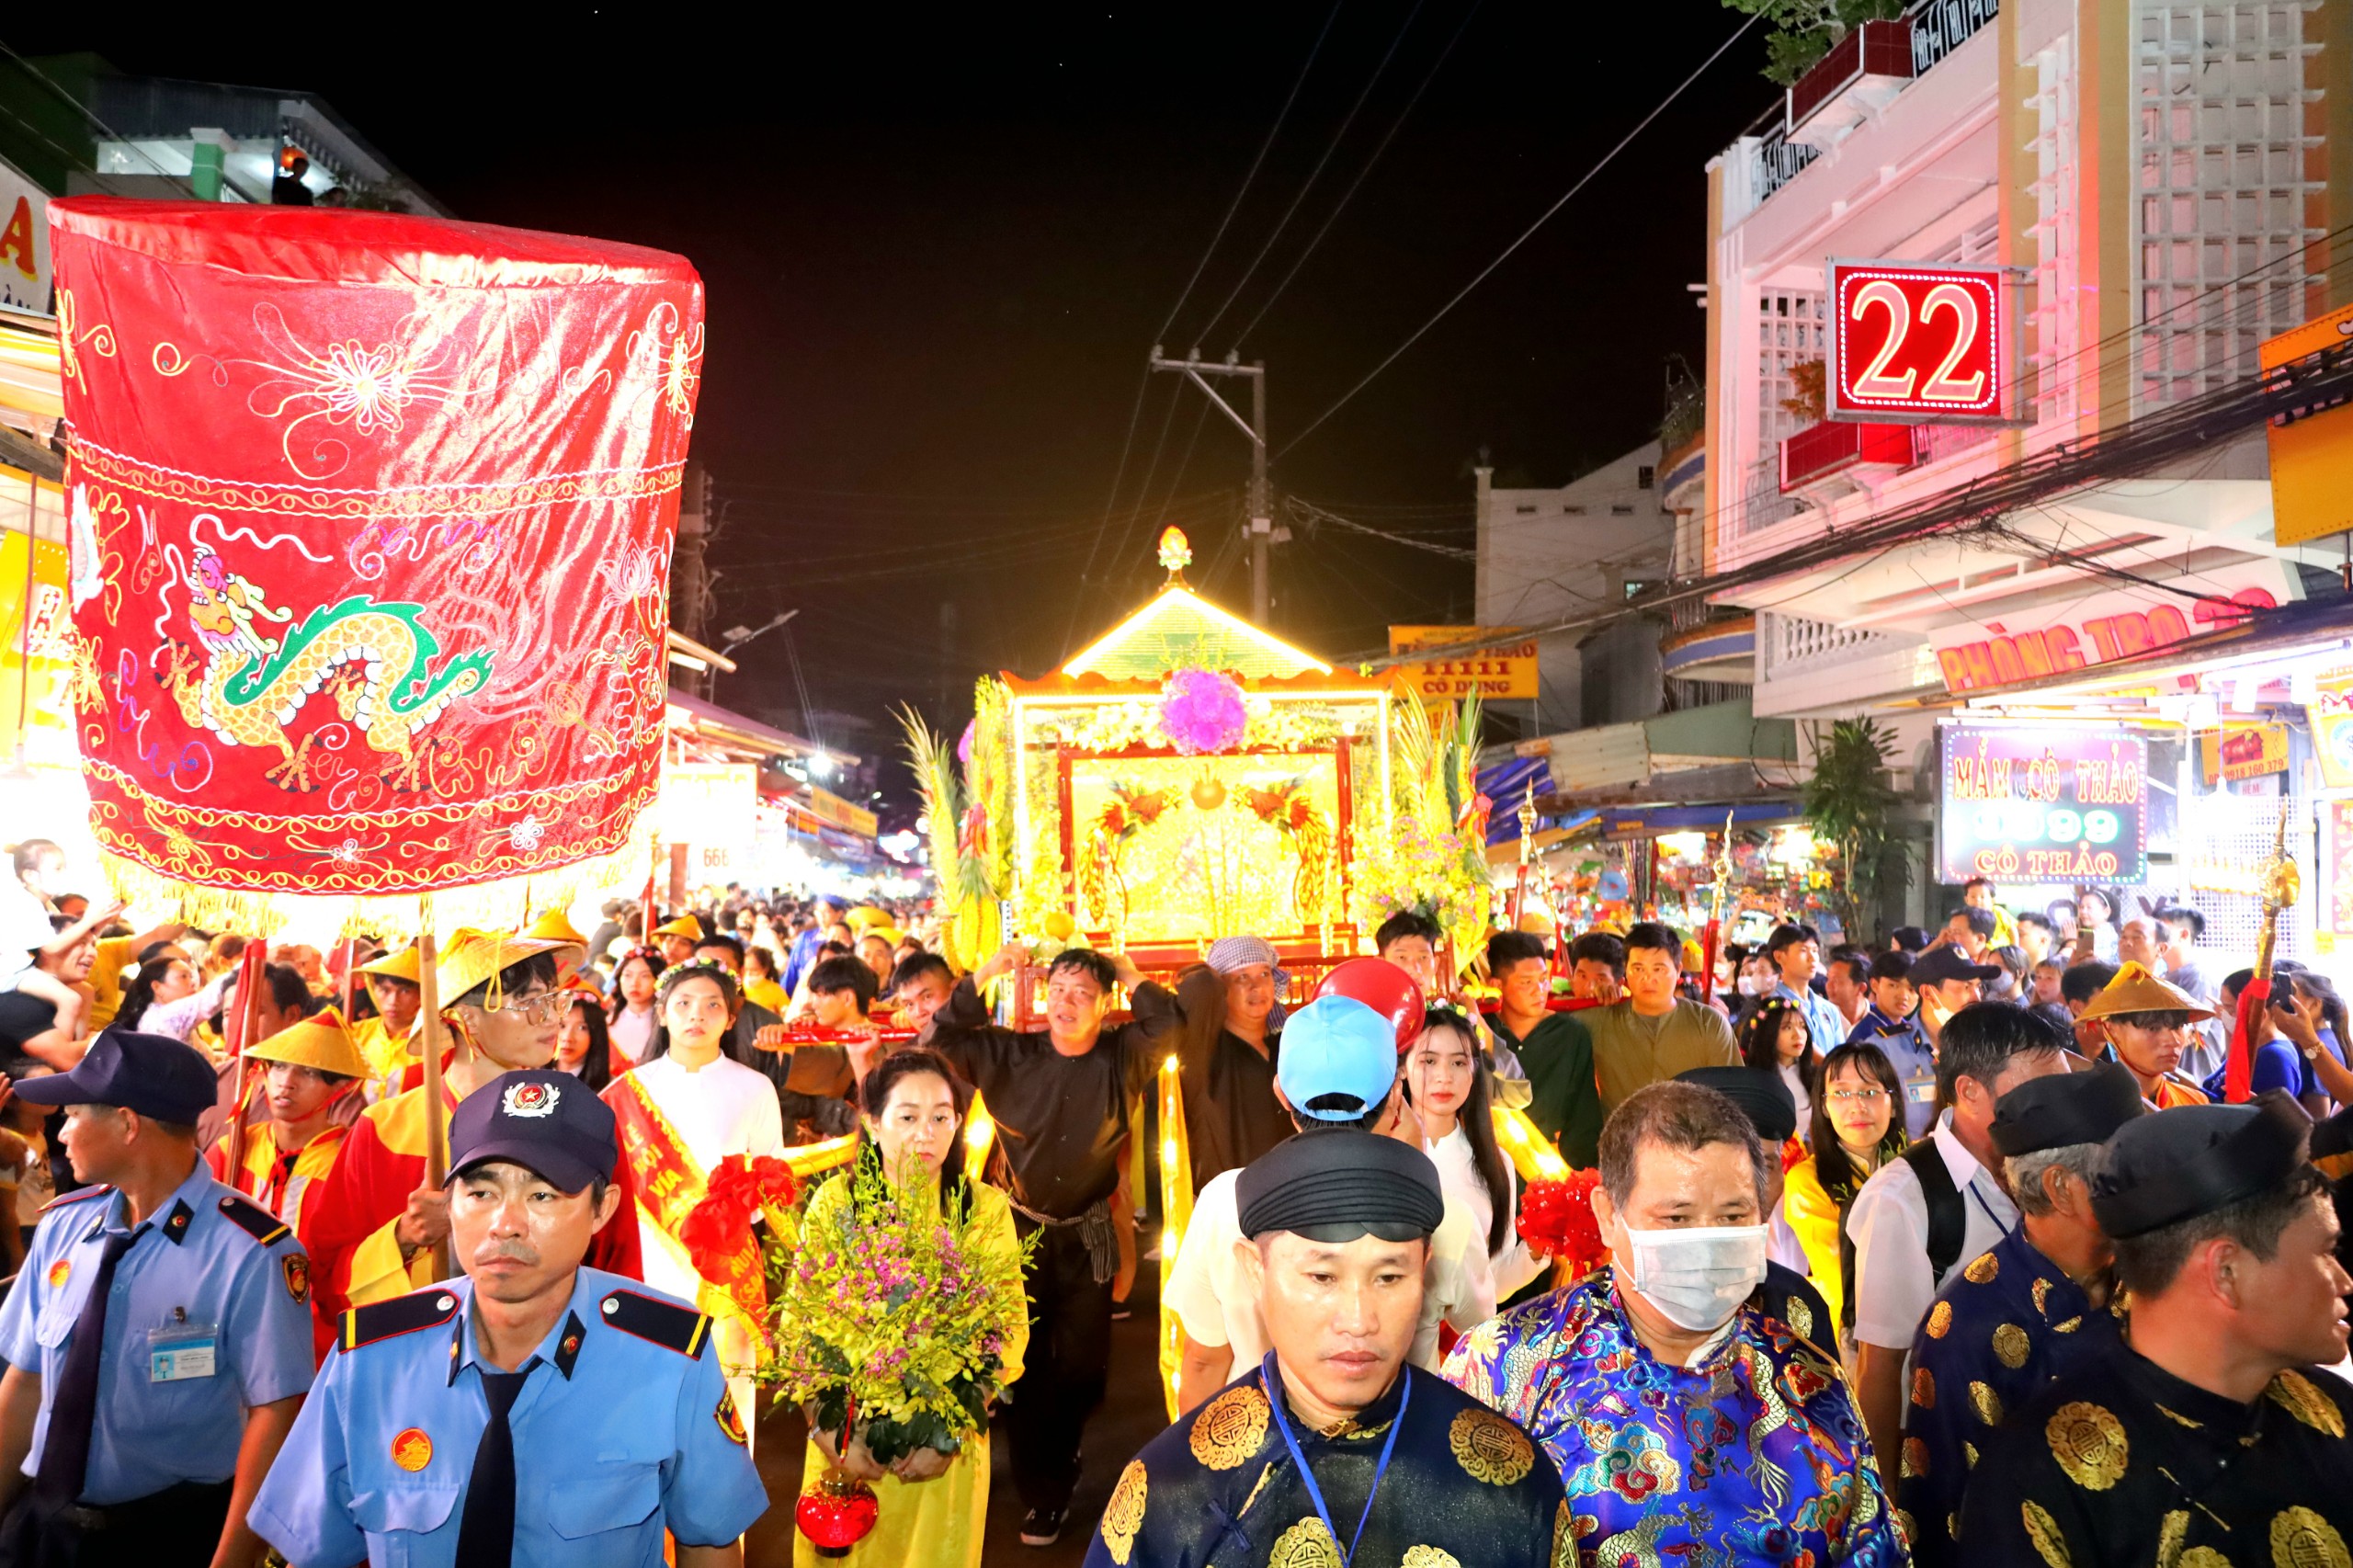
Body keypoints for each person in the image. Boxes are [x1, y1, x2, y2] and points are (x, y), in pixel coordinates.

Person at [249, 1069, 768, 1567]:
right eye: (481, 1192)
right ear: (450, 1203)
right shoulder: (372, 1359)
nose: (505, 1224)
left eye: (542, 1194)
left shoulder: (668, 1358)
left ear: (602, 1209)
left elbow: (711, 1541)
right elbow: (309, 1550)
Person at [1444, 1080, 1902, 1565]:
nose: (1707, 1244)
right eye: (1677, 1218)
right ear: (1608, 1214)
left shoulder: (1811, 1382)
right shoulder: (1505, 1364)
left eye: (1732, 1216)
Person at [1086, 1129, 1567, 1568]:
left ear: (1425, 1268)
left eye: (1389, 1276)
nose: (1358, 1321)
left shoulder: (1511, 1485)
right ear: (1255, 1271)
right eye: (1322, 1277)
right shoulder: (1169, 1489)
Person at [1956, 1094, 2353, 1565]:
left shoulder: (2332, 1412)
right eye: (2326, 1251)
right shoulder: (2039, 1478)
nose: (2344, 1279)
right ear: (2226, 1272)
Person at [0, 1029, 314, 1565]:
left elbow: (277, 1413)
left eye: (74, 1114)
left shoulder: (252, 1252)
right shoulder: (63, 1229)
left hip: (167, 1535)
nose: (62, 1132)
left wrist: (233, 1560)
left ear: (127, 1123)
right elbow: (26, 1382)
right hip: (43, 1527)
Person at [920, 943, 1170, 1547]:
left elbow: (1168, 1024)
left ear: (1104, 1004)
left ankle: (1066, 1441)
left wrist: (1127, 968)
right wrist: (989, 969)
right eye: (1059, 989)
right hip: (1017, 1232)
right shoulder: (1008, 1053)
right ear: (1042, 995)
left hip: (1088, 1231)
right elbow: (942, 1032)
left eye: (1084, 993)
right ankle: (1046, 1492)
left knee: (1086, 1365)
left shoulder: (1122, 1058)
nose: (1068, 1002)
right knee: (1023, 1364)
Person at [1168, 995, 1499, 1416]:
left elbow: (1202, 1361)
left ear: (1283, 1094)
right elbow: (1481, 1335)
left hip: (1258, 1447)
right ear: (1396, 1095)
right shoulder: (1443, 1212)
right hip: (1402, 1450)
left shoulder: (1222, 1199)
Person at [303, 926, 643, 1322]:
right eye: (531, 1002)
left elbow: (619, 1266)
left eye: (555, 1000)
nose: (554, 1020)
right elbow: (325, 1279)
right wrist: (405, 1237)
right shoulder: (384, 1129)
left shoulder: (580, 1120)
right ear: (467, 1018)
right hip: (415, 1357)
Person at [1896, 1062, 2143, 1564]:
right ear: (2061, 1187)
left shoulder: (2154, 1274)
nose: (2147, 1180)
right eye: (2126, 1166)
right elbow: (1943, 1516)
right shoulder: (1967, 1326)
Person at [794, 1048, 1027, 1568]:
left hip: (943, 1451)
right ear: (873, 1123)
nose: (927, 1133)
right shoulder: (837, 1202)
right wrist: (826, 1430)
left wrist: (950, 1431)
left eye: (941, 1117)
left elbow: (1006, 1330)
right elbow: (800, 1326)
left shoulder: (982, 1209)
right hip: (845, 1445)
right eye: (908, 1117)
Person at [1846, 1001, 2067, 1471]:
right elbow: (1880, 1370)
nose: (2055, 1108)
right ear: (1968, 1090)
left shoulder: (2048, 1167)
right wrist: (1885, 1513)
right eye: (2037, 1092)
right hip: (1943, 1456)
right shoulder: (1904, 1197)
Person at [604, 959, 785, 1441]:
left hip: (726, 1262)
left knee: (727, 1391)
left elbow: (771, 1175)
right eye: (682, 1004)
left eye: (711, 1005)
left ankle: (727, 1509)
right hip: (650, 1259)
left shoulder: (755, 1087)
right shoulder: (625, 1093)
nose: (696, 1015)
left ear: (731, 1018)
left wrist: (734, 1209)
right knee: (652, 1388)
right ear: (662, 1013)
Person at [1674, 1063, 1838, 1344]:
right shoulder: (1597, 1319)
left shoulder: (1799, 1303)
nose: (1744, 1189)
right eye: (1718, 1166)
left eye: (1764, 1165)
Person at [1783, 1040, 1908, 1367]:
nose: (1857, 1106)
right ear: (1823, 1107)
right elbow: (1840, 1271)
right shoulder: (1807, 1180)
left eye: (1870, 1092)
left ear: (1892, 1103)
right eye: (1840, 1093)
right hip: (1851, 1342)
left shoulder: (1916, 1166)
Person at [1404, 1008, 1540, 1296]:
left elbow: (1493, 1281)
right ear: (1403, 1068)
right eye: (1429, 1060)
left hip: (1467, 1334)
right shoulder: (1381, 1155)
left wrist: (1536, 1251)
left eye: (1458, 1063)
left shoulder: (1496, 1162)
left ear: (1474, 1071)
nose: (1444, 1076)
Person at [1167, 935, 1293, 1191]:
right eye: (1241, 977)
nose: (1256, 987)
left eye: (1264, 974)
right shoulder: (1206, 1051)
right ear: (1220, 989)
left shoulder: (1287, 1045)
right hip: (1228, 1207)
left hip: (1289, 1199)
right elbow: (1199, 986)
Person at [1578, 920, 1739, 1112]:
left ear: (1678, 970)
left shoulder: (1709, 1024)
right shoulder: (1600, 1020)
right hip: (1619, 1139)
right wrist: (1589, 997)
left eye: (1659, 969)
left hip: (1691, 1139)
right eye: (1638, 969)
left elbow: (1733, 1098)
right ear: (1625, 970)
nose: (1648, 978)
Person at [1482, 930, 1602, 1165]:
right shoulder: (1483, 1030)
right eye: (1526, 982)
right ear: (1497, 984)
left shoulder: (1569, 1034)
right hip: (1488, 1161)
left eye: (1543, 978)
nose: (1540, 989)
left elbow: (1584, 1116)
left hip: (1548, 1163)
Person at [2080, 962, 2221, 1107]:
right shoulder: (2089, 1104)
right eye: (2153, 1028)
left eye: (2178, 1026)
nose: (2173, 1041)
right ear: (2112, 1031)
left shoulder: (2195, 1102)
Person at [1847, 949, 1939, 1139]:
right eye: (1893, 985)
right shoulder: (1867, 1035)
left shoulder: (1913, 1029)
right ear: (1875, 985)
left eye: (1911, 989)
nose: (1903, 995)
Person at [0, 926, 97, 1069]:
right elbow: (66, 1064)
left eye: (94, 945)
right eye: (81, 943)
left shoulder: (80, 993)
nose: (93, 953)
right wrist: (101, 1039)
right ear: (48, 948)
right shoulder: (19, 1002)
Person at [1736, 994, 1818, 1136]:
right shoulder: (1753, 1080)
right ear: (1769, 1031)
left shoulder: (1813, 1076)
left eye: (1802, 1026)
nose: (1798, 1034)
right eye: (1787, 1027)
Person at [1765, 923, 1847, 1053]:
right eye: (1803, 950)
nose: (1812, 958)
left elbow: (1840, 1057)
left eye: (1815, 951)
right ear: (1779, 956)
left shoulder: (1828, 1009)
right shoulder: (1771, 1006)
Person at [352, 945, 424, 1093]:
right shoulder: (355, 1034)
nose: (393, 1001)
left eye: (405, 991)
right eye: (385, 990)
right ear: (373, 989)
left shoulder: (437, 1044)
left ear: (420, 995)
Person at [1907, 943, 2001, 1051]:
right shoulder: (1891, 1049)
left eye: (1979, 987)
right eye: (1966, 986)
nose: (1977, 997)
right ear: (1928, 993)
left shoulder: (1983, 1042)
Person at [553, 990, 619, 1089]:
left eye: (582, 1028)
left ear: (596, 1034)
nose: (567, 1038)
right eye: (562, 1026)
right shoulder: (532, 1074)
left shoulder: (610, 1089)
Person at [886, 950, 956, 1042]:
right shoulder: (911, 1052)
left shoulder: (978, 1041)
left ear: (955, 989)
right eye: (910, 1004)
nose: (919, 1013)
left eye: (927, 997)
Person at [1566, 929, 1626, 1006]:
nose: (1589, 988)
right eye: (1583, 976)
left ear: (1619, 983)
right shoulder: (1557, 1009)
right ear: (1572, 976)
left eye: (1600, 980)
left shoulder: (1627, 1012)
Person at [1824, 949, 1871, 1029]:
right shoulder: (1822, 1016)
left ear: (1861, 988)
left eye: (1836, 981)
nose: (1828, 985)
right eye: (1828, 979)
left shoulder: (1880, 1018)